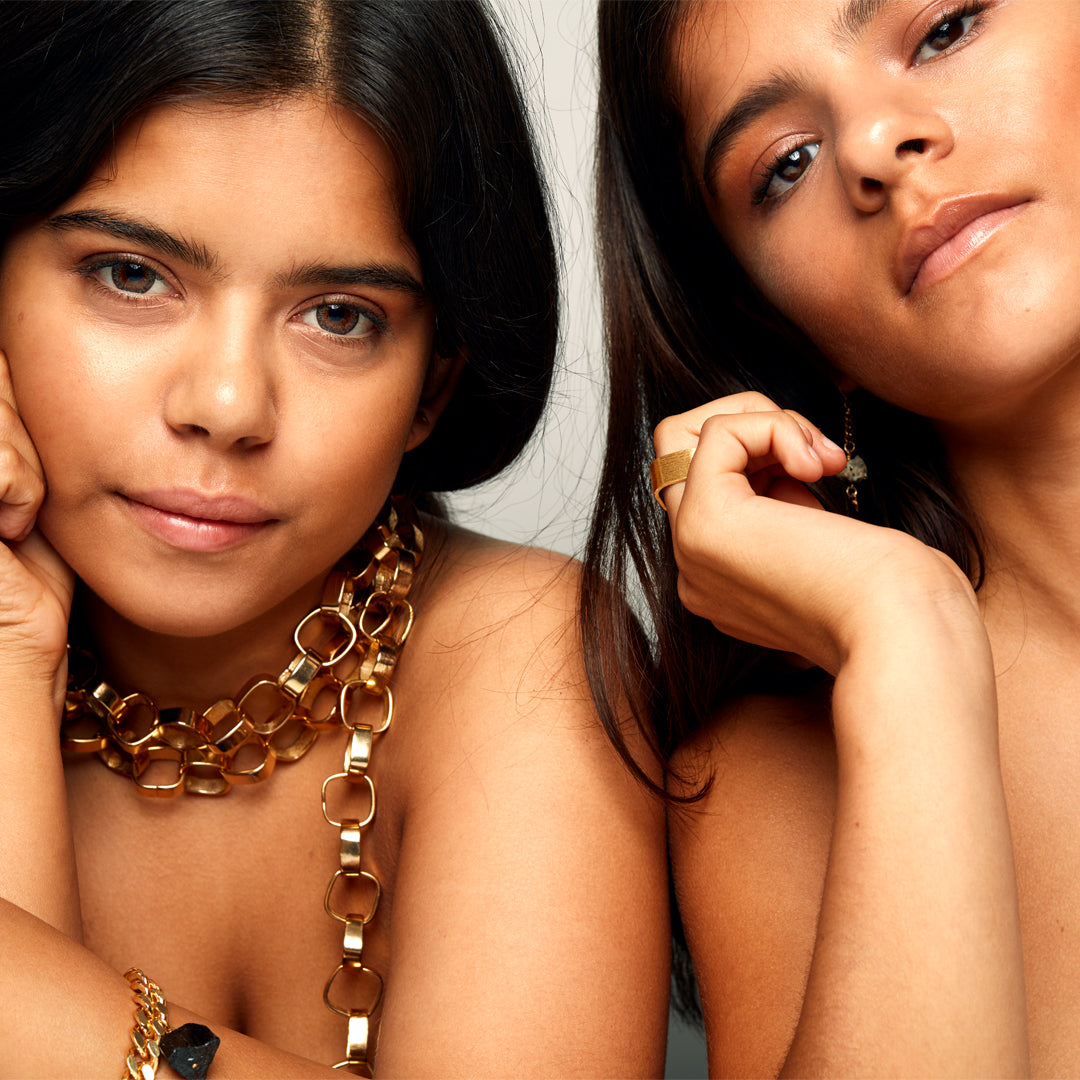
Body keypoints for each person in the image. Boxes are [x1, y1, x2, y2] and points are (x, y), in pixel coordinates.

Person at [0, 2, 670, 1077]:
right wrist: (9, 647)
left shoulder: (527, 659)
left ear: (432, 385)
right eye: (133, 275)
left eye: (339, 315)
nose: (226, 405)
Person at [584, 0, 1080, 1074]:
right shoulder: (770, 784)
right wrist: (907, 635)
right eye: (787, 162)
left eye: (943, 29)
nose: (871, 148)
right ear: (776, 319)